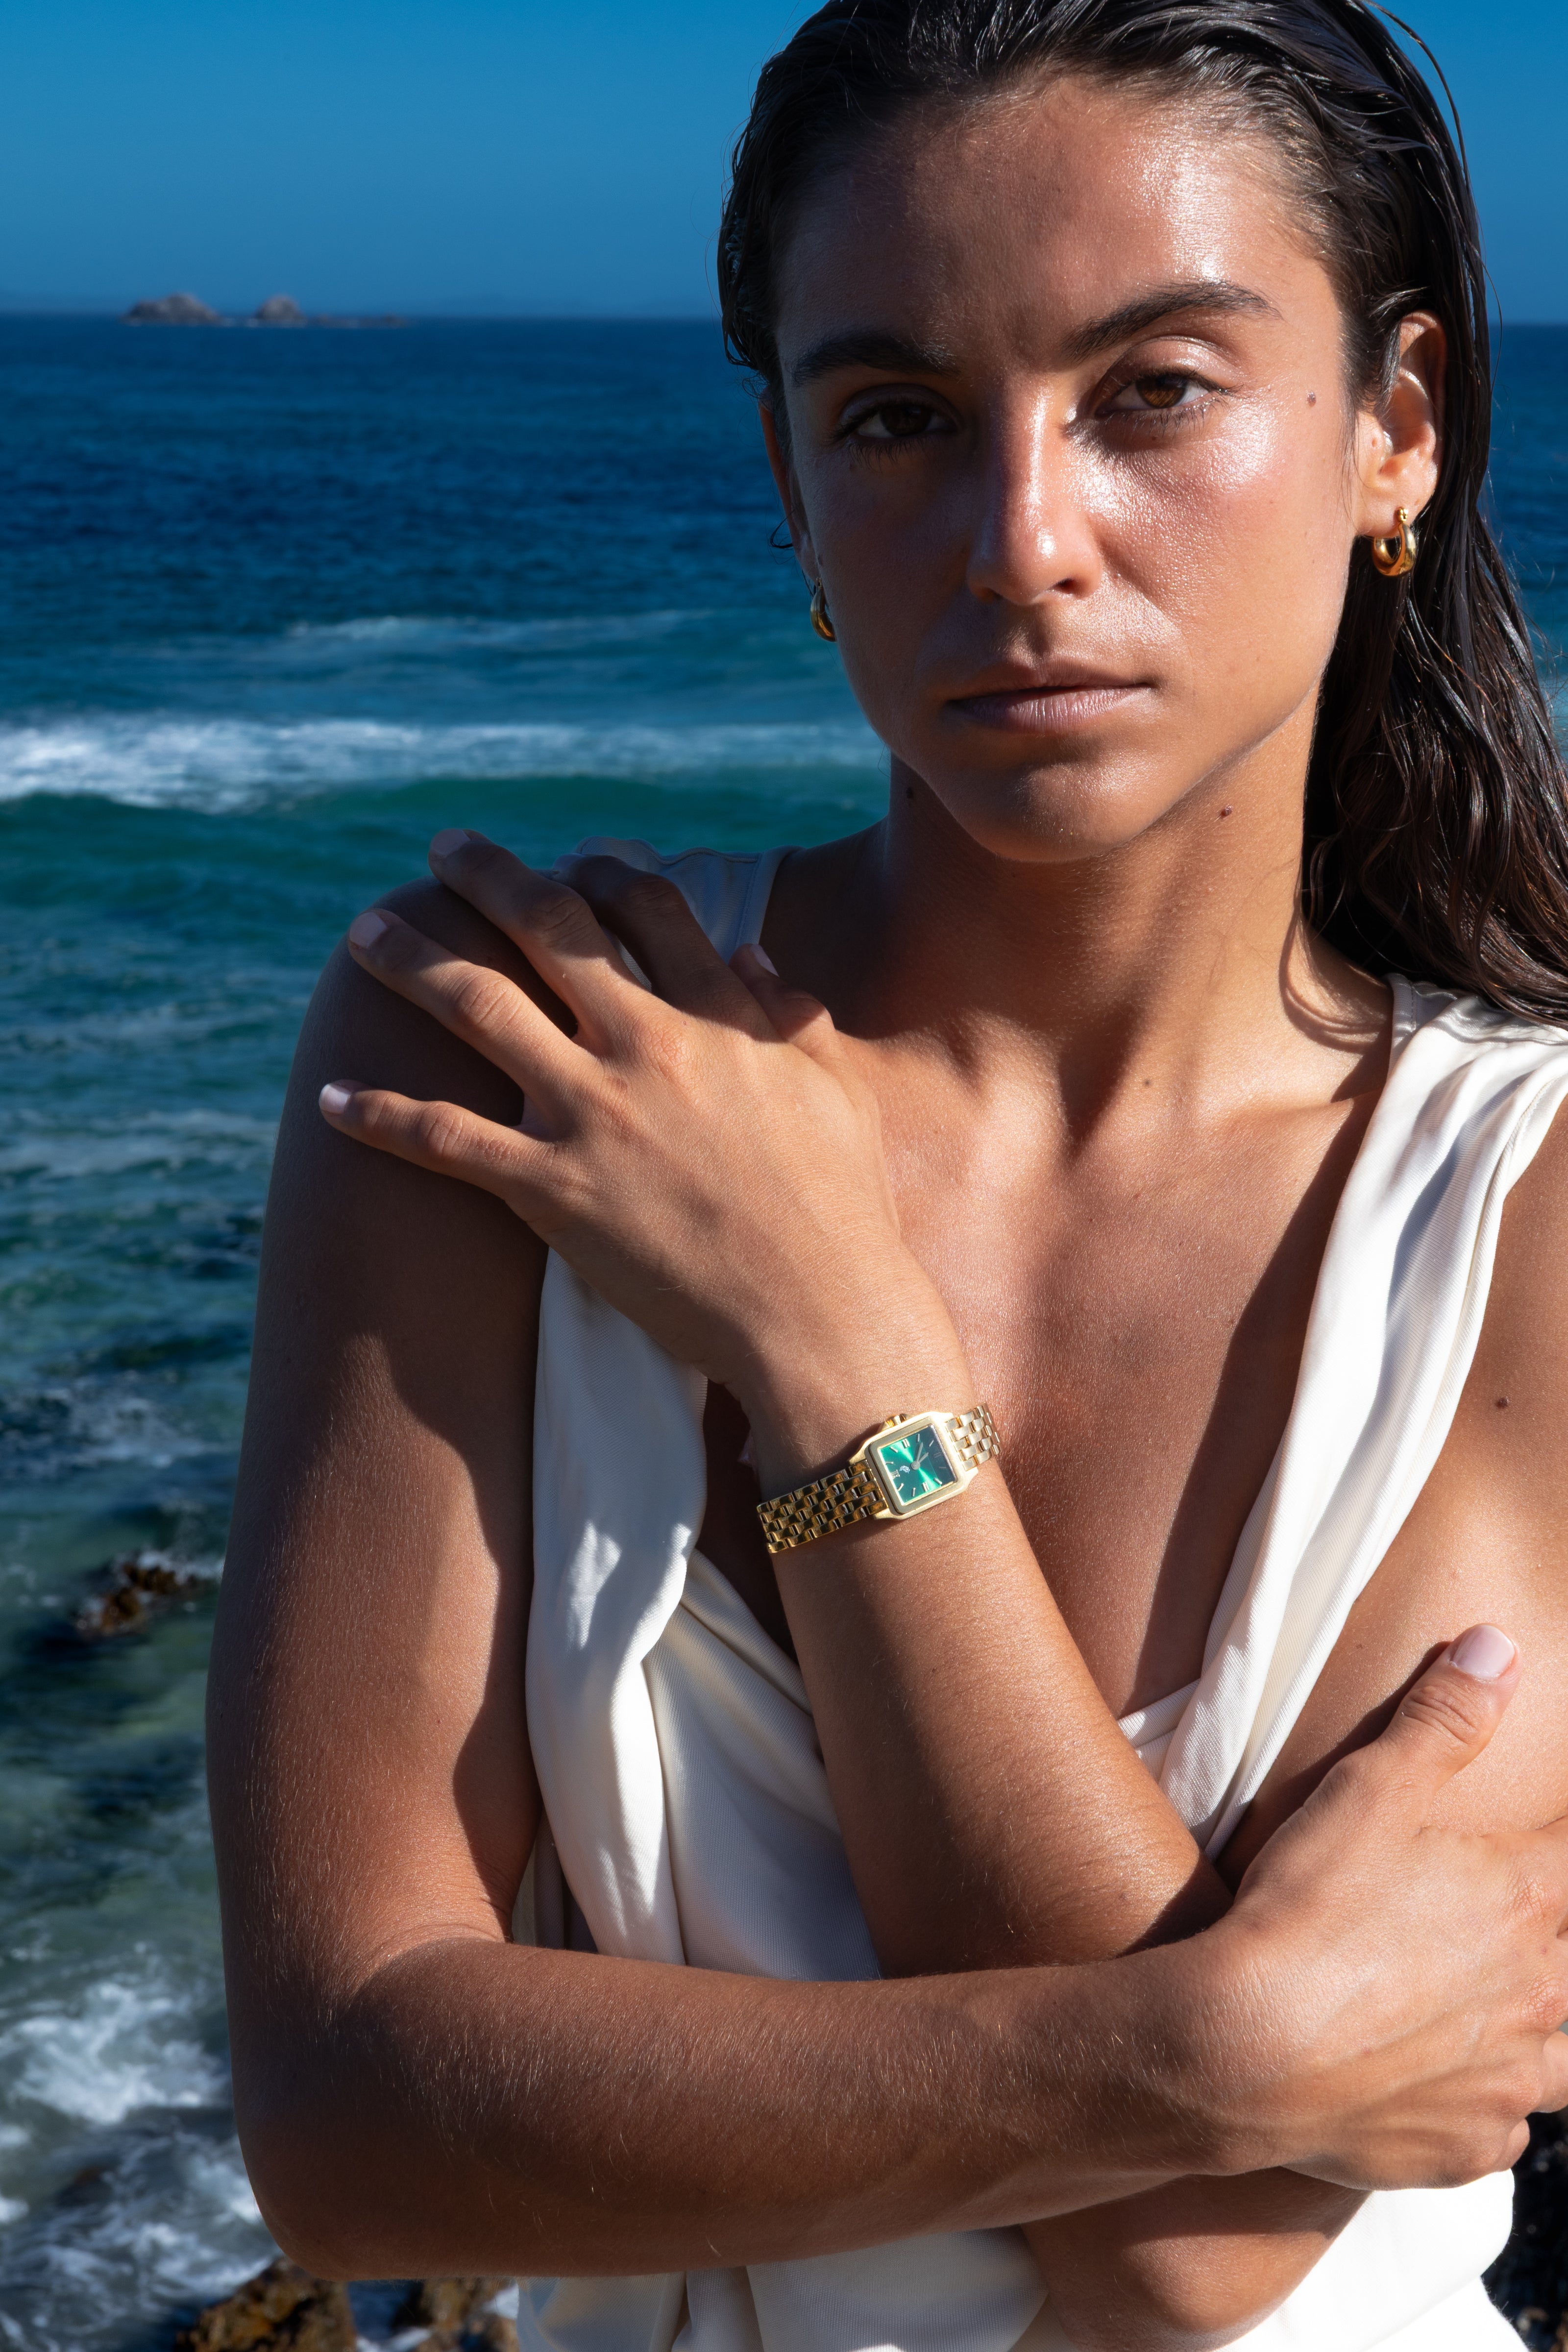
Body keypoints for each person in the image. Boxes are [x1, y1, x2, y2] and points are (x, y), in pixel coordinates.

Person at [207, 2, 1568, 2346]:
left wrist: (834, 1354)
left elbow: (1196, 2266)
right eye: (896, 419)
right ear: (789, 479)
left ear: (1393, 430)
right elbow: (344, 2127)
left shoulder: (1521, 1199)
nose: (1018, 540)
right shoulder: (517, 1051)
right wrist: (1193, 2048)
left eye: (1150, 390)